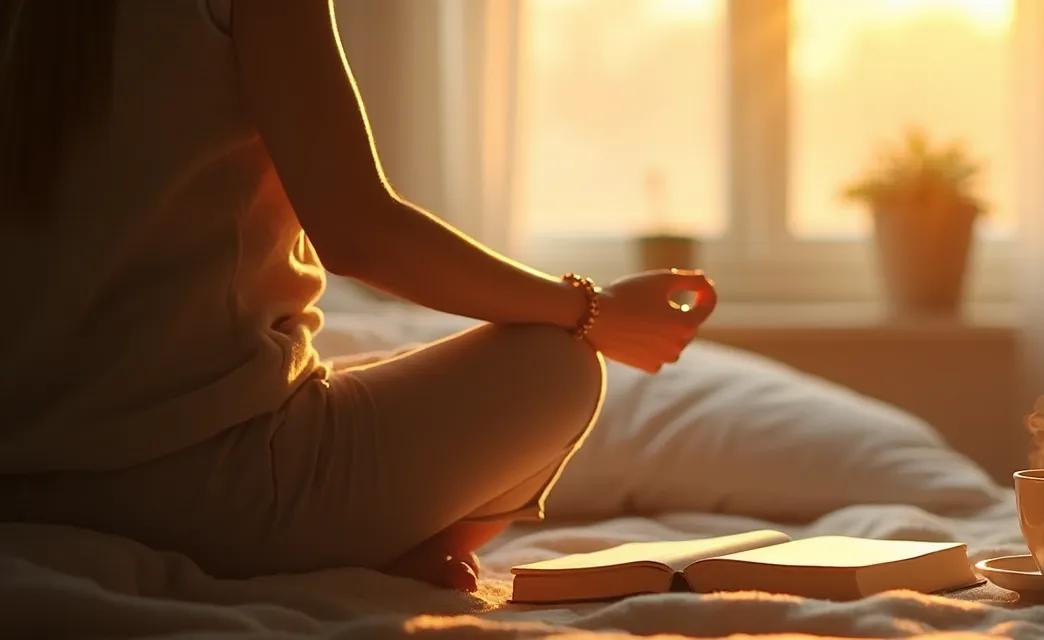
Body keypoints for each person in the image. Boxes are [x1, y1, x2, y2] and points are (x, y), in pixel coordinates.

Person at [0, 0, 715, 591]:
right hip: (213, 488)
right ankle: (392, 556)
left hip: (22, 481)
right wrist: (595, 312)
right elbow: (358, 233)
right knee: (555, 365)